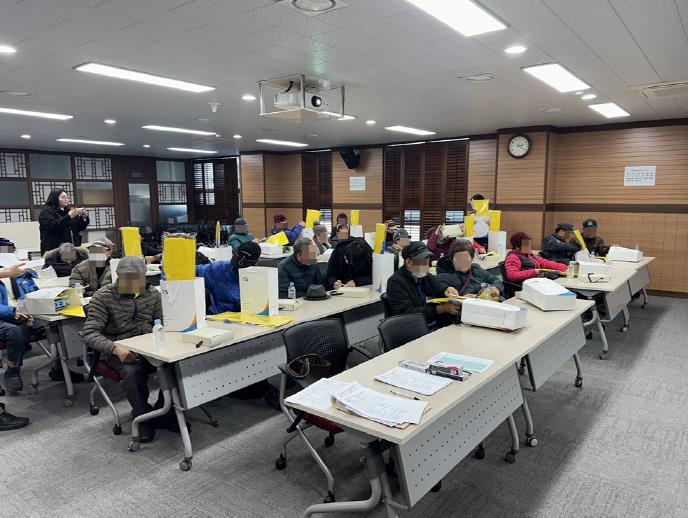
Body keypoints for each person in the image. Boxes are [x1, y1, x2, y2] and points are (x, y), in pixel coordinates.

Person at [80, 256, 164, 443]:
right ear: (118, 276)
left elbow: (161, 323)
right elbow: (89, 333)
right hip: (118, 348)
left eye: (137, 279)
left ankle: (164, 410)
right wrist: (116, 350)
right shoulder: (103, 296)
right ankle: (142, 416)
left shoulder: (152, 294)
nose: (133, 284)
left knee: (175, 365)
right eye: (127, 279)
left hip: (148, 345)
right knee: (132, 372)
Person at [386, 242, 460, 328]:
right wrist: (441, 308)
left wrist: (447, 289)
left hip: (435, 325)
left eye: (427, 261)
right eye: (422, 262)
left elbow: (439, 287)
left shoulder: (425, 276)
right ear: (408, 263)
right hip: (412, 328)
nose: (426, 265)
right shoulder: (395, 282)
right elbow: (407, 313)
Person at [1, 261, 43, 394]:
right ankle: (12, 369)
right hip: (4, 317)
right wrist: (14, 312)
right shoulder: (7, 274)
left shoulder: (20, 275)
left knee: (50, 325)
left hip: (16, 313)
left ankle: (60, 368)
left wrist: (29, 310)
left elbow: (30, 294)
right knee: (15, 331)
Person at [195, 242, 261, 314]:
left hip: (248, 317)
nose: (240, 263)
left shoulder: (260, 279)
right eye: (239, 258)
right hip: (217, 317)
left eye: (244, 262)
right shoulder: (220, 269)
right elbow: (195, 270)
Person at [437, 239, 503, 297]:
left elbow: (496, 280)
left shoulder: (476, 270)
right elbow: (440, 290)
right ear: (452, 259)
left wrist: (496, 288)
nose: (462, 262)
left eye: (466, 259)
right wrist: (463, 298)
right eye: (459, 259)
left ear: (472, 258)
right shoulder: (444, 276)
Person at [38, 188, 89, 255]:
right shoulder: (46, 212)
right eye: (63, 197)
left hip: (72, 248)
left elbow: (79, 228)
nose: (66, 199)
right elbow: (52, 226)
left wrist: (83, 218)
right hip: (54, 250)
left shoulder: (68, 211)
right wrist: (68, 217)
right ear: (54, 198)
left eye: (67, 197)